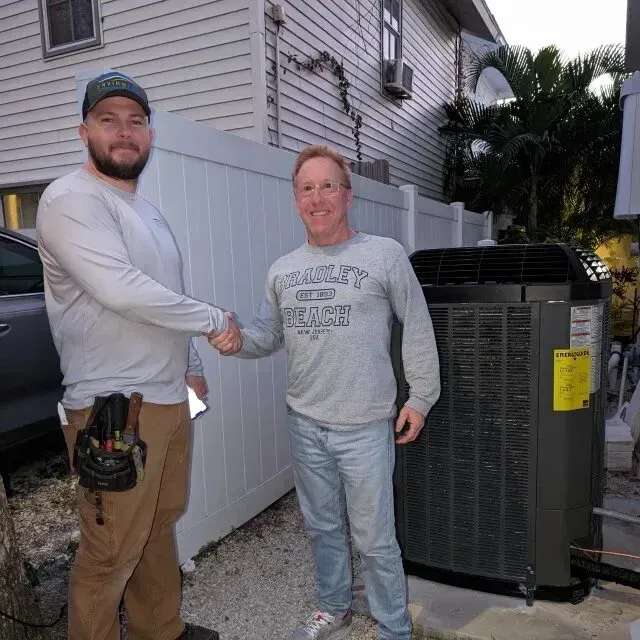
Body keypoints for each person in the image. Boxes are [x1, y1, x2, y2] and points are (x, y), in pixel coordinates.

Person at [210, 145, 441, 640]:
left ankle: (393, 627)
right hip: (305, 424)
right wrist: (235, 342)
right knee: (322, 529)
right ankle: (334, 606)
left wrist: (420, 397)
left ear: (347, 194)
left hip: (364, 426)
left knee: (376, 539)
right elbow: (266, 336)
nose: (318, 198)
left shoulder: (384, 255)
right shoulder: (282, 270)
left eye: (328, 186)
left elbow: (418, 326)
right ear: (296, 200)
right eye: (307, 188)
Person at [36, 71, 234, 640]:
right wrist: (217, 321)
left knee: (158, 528)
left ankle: (161, 631)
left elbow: (164, 297)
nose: (124, 132)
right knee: (110, 552)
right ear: (84, 131)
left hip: (169, 402)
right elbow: (122, 289)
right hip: (112, 410)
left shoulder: (148, 213)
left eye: (136, 121)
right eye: (108, 120)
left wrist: (192, 366)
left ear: (149, 135)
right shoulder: (70, 199)